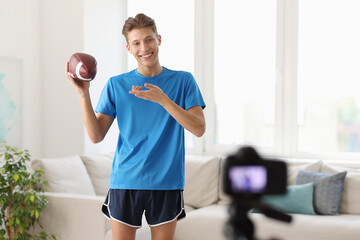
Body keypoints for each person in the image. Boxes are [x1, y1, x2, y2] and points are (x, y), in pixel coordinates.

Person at [66, 13, 206, 240]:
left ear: (159, 39)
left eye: (149, 39)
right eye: (136, 43)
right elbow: (96, 135)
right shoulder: (117, 85)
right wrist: (83, 94)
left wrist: (163, 99)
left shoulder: (183, 81)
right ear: (129, 48)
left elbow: (199, 128)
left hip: (167, 182)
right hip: (126, 180)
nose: (144, 47)